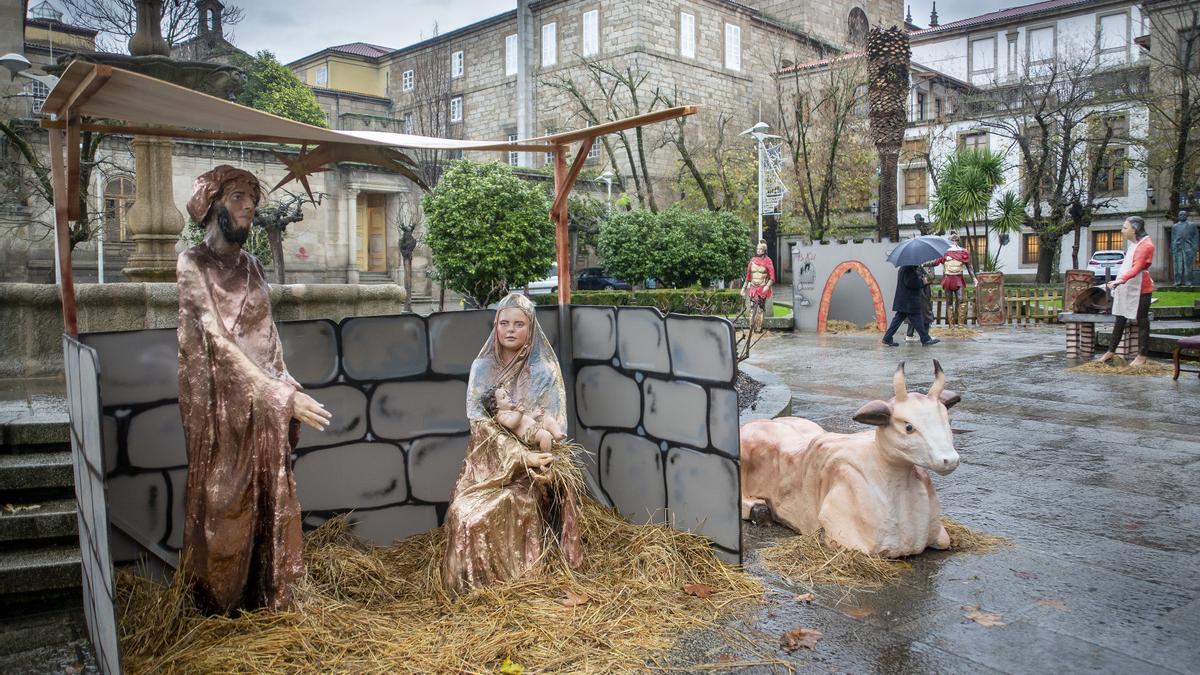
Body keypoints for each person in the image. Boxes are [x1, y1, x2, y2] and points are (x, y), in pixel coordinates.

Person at [176, 165, 331, 614]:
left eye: (253, 200)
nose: (249, 208)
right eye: (239, 198)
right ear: (211, 205)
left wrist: (285, 383)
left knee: (270, 499)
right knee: (224, 504)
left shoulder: (253, 266)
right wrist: (282, 397)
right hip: (221, 407)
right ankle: (217, 609)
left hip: (264, 403)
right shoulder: (192, 263)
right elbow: (217, 342)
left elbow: (269, 337)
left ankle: (265, 601)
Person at [442, 293, 583, 594]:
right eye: (504, 323)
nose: (510, 329)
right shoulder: (481, 368)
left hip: (532, 471)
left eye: (519, 324)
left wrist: (538, 460)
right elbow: (480, 426)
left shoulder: (544, 372)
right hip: (489, 467)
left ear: (531, 329)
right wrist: (518, 456)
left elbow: (555, 424)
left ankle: (521, 584)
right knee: (464, 513)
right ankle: (475, 593)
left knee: (497, 511)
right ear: (495, 326)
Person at [1097, 216, 1156, 367]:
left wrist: (1120, 280)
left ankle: (1142, 355)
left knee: (1142, 320)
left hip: (1141, 289)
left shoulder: (1146, 245)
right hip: (1127, 288)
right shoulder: (1133, 244)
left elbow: (1137, 267)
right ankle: (1111, 351)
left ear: (1134, 229)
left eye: (1125, 228)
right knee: (1120, 319)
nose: (1122, 230)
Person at [481, 384, 566, 454]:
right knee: (546, 436)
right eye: (504, 397)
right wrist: (519, 413)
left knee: (548, 420)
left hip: (535, 427)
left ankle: (557, 434)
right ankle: (546, 456)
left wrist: (534, 415)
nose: (508, 398)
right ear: (496, 405)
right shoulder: (501, 416)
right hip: (529, 434)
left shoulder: (512, 411)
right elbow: (512, 424)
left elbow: (525, 420)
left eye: (507, 395)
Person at [882, 264, 940, 347]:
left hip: (904, 300)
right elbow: (911, 283)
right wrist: (923, 281)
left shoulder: (906, 267)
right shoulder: (909, 268)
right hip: (909, 300)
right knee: (917, 319)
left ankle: (887, 338)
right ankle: (925, 339)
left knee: (898, 319)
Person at [927, 232, 974, 326]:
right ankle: (951, 325)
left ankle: (960, 325)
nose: (954, 242)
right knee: (949, 302)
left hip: (958, 278)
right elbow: (935, 262)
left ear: (958, 241)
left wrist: (974, 278)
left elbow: (969, 266)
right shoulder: (944, 252)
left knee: (961, 300)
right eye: (952, 240)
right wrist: (924, 263)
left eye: (956, 240)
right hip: (948, 278)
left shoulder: (963, 252)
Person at [742, 240, 775, 332]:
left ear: (764, 250)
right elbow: (748, 276)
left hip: (762, 287)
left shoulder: (768, 261)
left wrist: (767, 286)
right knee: (752, 309)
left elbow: (772, 277)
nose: (758, 250)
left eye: (760, 249)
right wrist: (744, 288)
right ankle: (751, 327)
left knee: (760, 308)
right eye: (757, 249)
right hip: (753, 287)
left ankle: (759, 328)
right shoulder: (752, 260)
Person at [905, 264, 936, 342]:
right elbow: (919, 280)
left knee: (923, 313)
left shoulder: (924, 266)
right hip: (920, 292)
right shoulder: (913, 267)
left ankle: (921, 335)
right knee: (920, 313)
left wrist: (929, 276)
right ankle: (911, 334)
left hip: (924, 292)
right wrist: (927, 278)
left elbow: (931, 277)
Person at [1171, 210, 1196, 287]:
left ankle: (1189, 282)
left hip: (1188, 247)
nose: (1182, 216)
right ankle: (1177, 282)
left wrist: (1194, 248)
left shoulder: (1191, 225)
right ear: (1178, 216)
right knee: (1177, 266)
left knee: (1188, 266)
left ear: (1187, 216)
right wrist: (1173, 248)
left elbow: (1195, 237)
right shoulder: (1175, 226)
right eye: (1180, 215)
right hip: (1177, 248)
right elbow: (1173, 238)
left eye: (1184, 214)